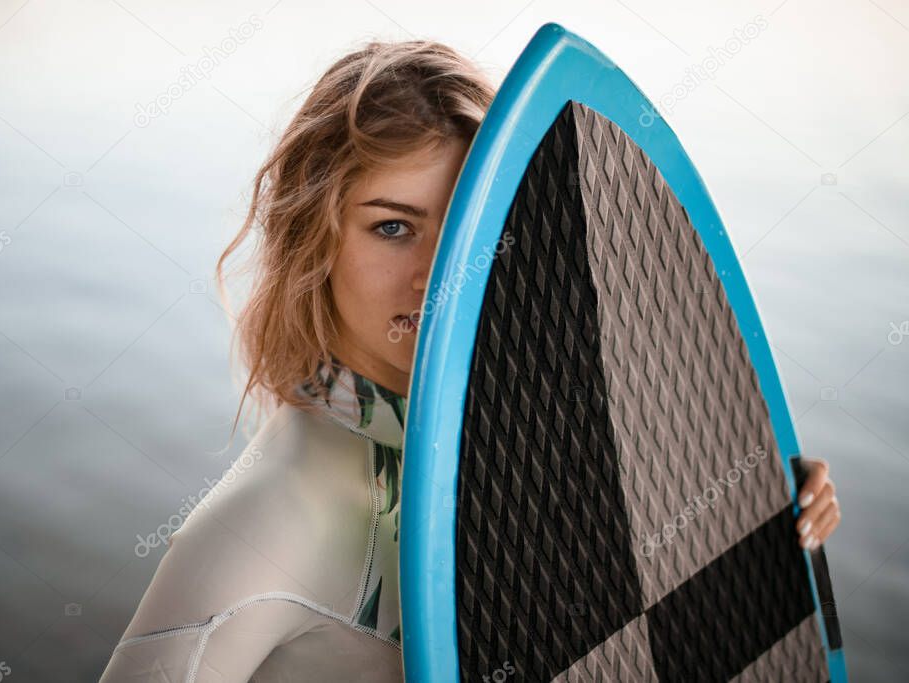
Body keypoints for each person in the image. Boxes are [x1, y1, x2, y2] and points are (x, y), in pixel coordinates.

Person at [99, 37, 842, 683]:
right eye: (393, 227)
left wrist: (755, 505)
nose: (437, 274)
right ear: (314, 244)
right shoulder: (269, 517)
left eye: (462, 226)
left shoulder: (521, 439)